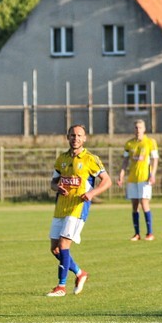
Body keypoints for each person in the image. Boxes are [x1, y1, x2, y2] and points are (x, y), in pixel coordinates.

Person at [46, 124, 112, 297]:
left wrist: (92, 193)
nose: (75, 138)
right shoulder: (61, 159)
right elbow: (53, 182)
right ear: (67, 137)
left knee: (63, 244)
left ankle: (61, 286)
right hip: (61, 207)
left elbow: (107, 181)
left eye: (79, 135)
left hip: (78, 208)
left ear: (84, 138)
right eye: (72, 135)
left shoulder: (91, 159)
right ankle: (80, 273)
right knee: (55, 249)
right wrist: (57, 188)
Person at [117, 119, 159, 241]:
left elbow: (154, 159)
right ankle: (137, 234)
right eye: (136, 127)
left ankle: (150, 233)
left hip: (144, 178)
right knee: (134, 205)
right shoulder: (129, 144)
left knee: (144, 203)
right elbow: (125, 161)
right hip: (132, 178)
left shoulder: (150, 142)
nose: (137, 130)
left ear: (144, 129)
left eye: (140, 127)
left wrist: (152, 174)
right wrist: (121, 174)